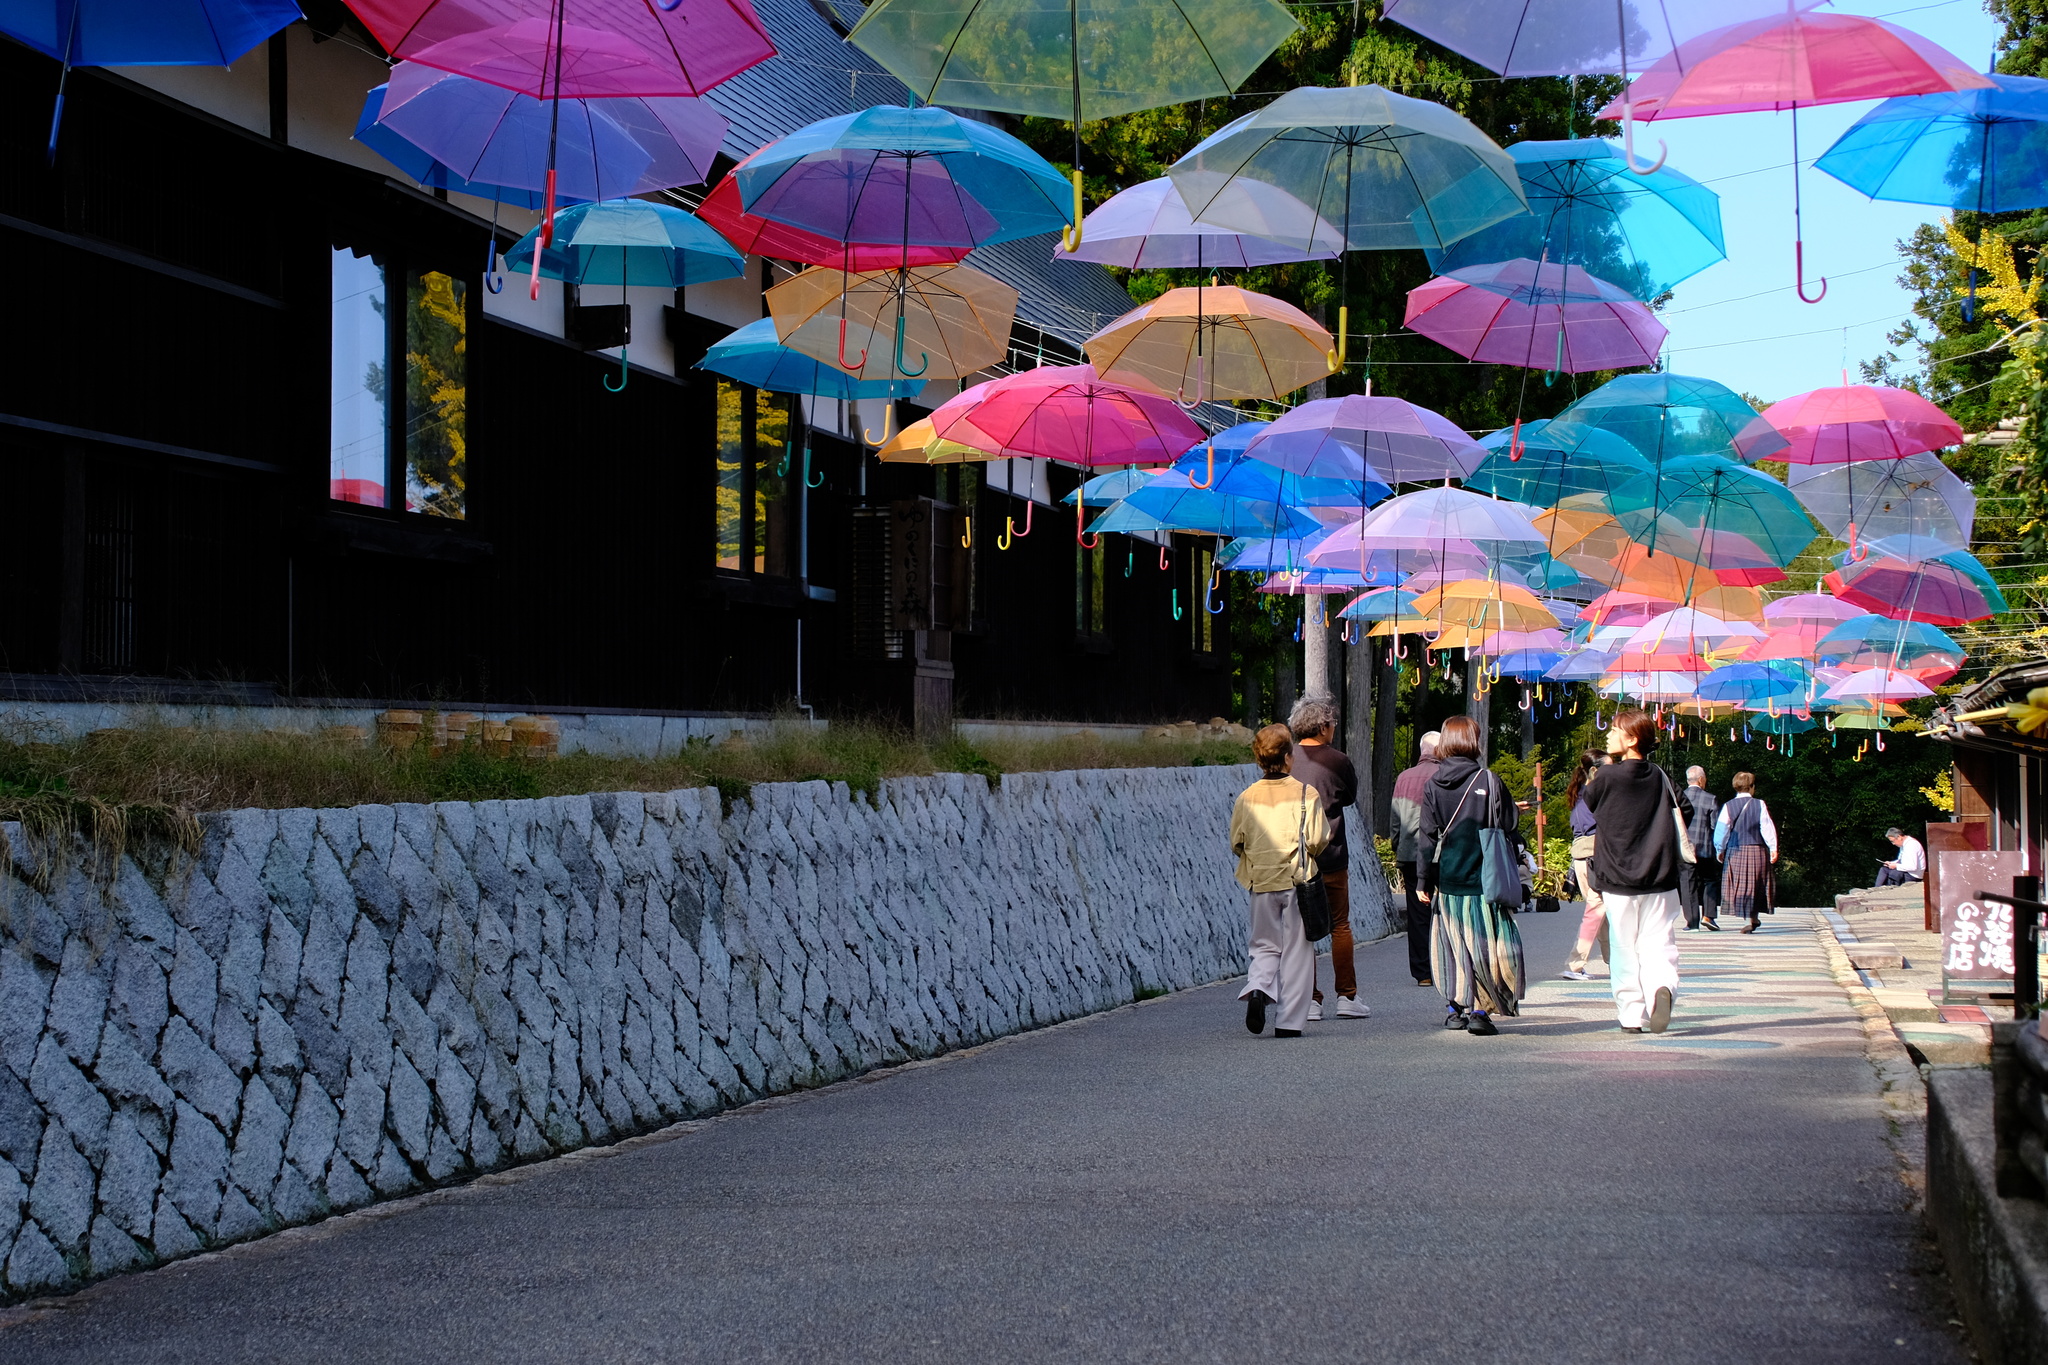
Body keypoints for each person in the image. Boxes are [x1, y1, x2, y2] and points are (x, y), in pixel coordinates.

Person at [1417, 715, 1525, 1035]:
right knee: (1484, 947)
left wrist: (1424, 881)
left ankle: (1454, 1009)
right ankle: (1479, 1011)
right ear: (1473, 743)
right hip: (1484, 881)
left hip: (1448, 882)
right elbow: (1509, 825)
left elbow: (1426, 838)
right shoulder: (1489, 781)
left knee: (1452, 948)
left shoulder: (1433, 785)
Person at [1582, 708, 1684, 1034]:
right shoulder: (1661, 776)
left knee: (1625, 945)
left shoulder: (1607, 777)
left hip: (1617, 877)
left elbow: (1589, 800)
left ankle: (1631, 1015)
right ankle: (1661, 990)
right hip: (1660, 875)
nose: (1609, 735)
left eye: (1614, 731)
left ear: (1631, 739)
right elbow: (1687, 809)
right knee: (1659, 942)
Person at [1230, 723, 1330, 1038]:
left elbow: (1237, 842)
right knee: (1298, 953)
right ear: (1289, 757)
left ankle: (1258, 988)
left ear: (1260, 759)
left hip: (1260, 882)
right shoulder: (1305, 793)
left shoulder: (1246, 797)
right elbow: (1317, 839)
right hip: (1297, 881)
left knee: (1263, 946)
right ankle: (1288, 1021)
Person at [1289, 696, 1370, 1021]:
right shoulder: (1338, 760)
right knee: (1339, 924)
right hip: (1332, 852)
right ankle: (1347, 996)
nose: (1333, 728)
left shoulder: (1286, 757)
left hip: (1295, 855)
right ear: (1322, 727)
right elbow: (1349, 797)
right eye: (1332, 723)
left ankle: (1310, 999)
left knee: (1301, 928)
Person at [1390, 731, 1443, 987]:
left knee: (1418, 913)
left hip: (1410, 853)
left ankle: (1423, 972)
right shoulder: (1444, 776)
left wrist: (1397, 845)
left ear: (1422, 750)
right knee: (1446, 911)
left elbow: (1396, 819)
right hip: (1441, 853)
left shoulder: (1403, 777)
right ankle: (1447, 966)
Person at [1560, 749, 1612, 981]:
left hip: (1581, 854)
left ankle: (1615, 962)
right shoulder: (1596, 794)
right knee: (1596, 909)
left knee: (1601, 911)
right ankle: (1575, 963)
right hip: (1594, 853)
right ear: (1595, 770)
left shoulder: (1579, 793)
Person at [1715, 772, 1779, 933]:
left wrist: (1719, 849)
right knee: (1756, 885)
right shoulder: (1760, 804)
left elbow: (1722, 830)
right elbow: (1767, 827)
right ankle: (1753, 918)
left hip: (1736, 851)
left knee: (1741, 885)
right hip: (1757, 850)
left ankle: (1751, 919)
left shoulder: (1729, 806)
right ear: (1751, 787)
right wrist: (1773, 848)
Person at [1678, 765, 1723, 932]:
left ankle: (1692, 921)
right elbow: (1715, 826)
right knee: (1709, 880)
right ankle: (1708, 916)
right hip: (1704, 847)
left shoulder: (1678, 798)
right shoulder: (1710, 799)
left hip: (1684, 848)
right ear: (1701, 780)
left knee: (1687, 883)